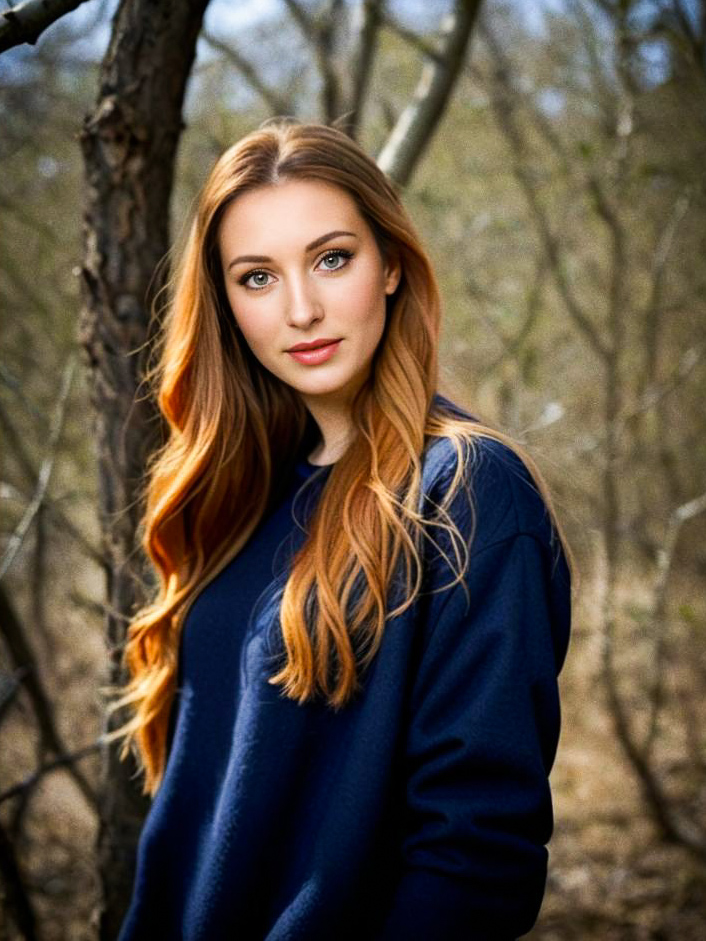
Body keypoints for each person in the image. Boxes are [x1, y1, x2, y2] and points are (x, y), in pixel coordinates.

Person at [112, 119, 573, 941]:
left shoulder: (466, 492)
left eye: (332, 258)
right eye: (257, 277)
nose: (301, 309)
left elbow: (475, 854)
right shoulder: (236, 495)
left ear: (391, 264)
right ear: (226, 305)